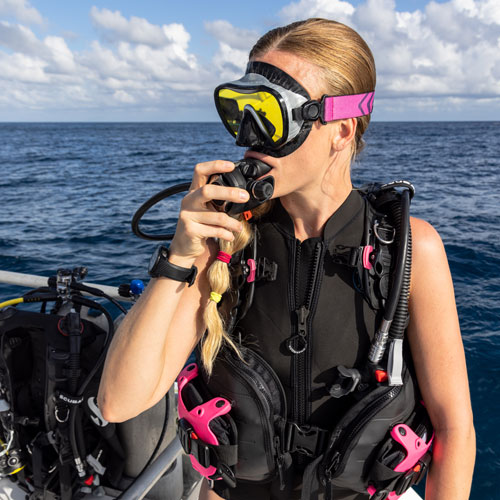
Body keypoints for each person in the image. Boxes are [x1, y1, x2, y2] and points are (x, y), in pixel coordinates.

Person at [97, 18, 475, 500]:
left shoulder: (409, 250)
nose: (247, 139)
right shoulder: (226, 242)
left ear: (341, 129)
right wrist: (179, 258)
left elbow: (455, 428)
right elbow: (117, 401)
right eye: (239, 112)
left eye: (270, 116)